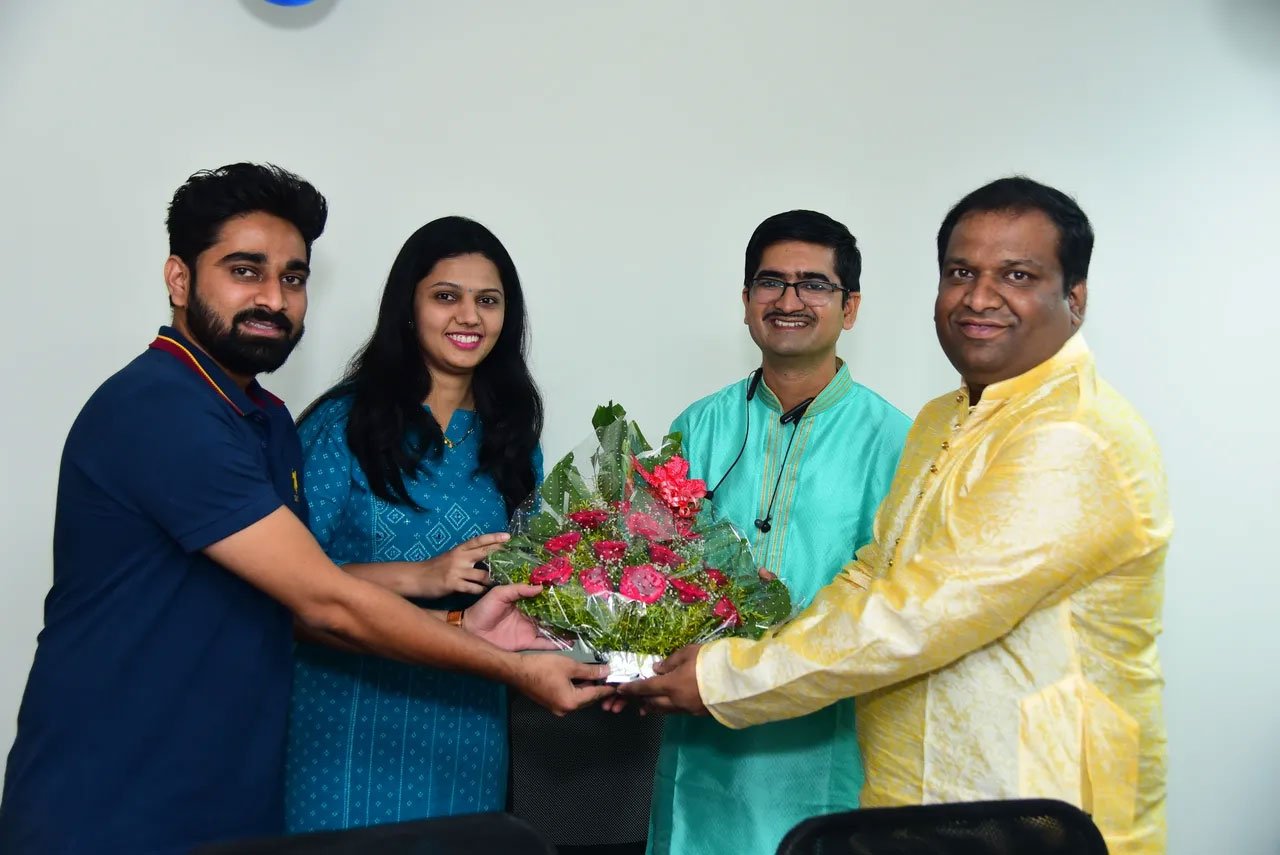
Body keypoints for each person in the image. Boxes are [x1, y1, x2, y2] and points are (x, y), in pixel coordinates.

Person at [0, 164, 613, 855]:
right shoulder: (163, 408)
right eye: (245, 270)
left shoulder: (261, 417)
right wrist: (510, 665)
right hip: (115, 801)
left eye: (292, 278)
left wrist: (440, 590)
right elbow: (323, 601)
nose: (273, 297)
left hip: (230, 794)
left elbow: (285, 584)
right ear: (179, 279)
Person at [620, 177, 1172, 855]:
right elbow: (875, 574)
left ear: (1075, 298)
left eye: (1018, 274)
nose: (978, 296)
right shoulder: (948, 419)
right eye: (961, 272)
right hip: (918, 805)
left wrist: (723, 675)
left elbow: (920, 614)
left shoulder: (1070, 436)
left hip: (1034, 811)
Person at [646, 210, 909, 855]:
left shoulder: (894, 441)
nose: (789, 301)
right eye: (771, 282)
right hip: (700, 722)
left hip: (825, 738)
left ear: (849, 309)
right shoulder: (697, 426)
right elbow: (650, 569)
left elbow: (891, 608)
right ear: (745, 302)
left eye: (814, 285)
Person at [285, 216, 545, 831]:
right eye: (446, 296)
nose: (469, 317)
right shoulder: (339, 427)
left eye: (488, 301)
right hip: (346, 716)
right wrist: (419, 575)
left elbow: (528, 583)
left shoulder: (513, 439)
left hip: (467, 719)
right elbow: (287, 590)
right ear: (408, 307)